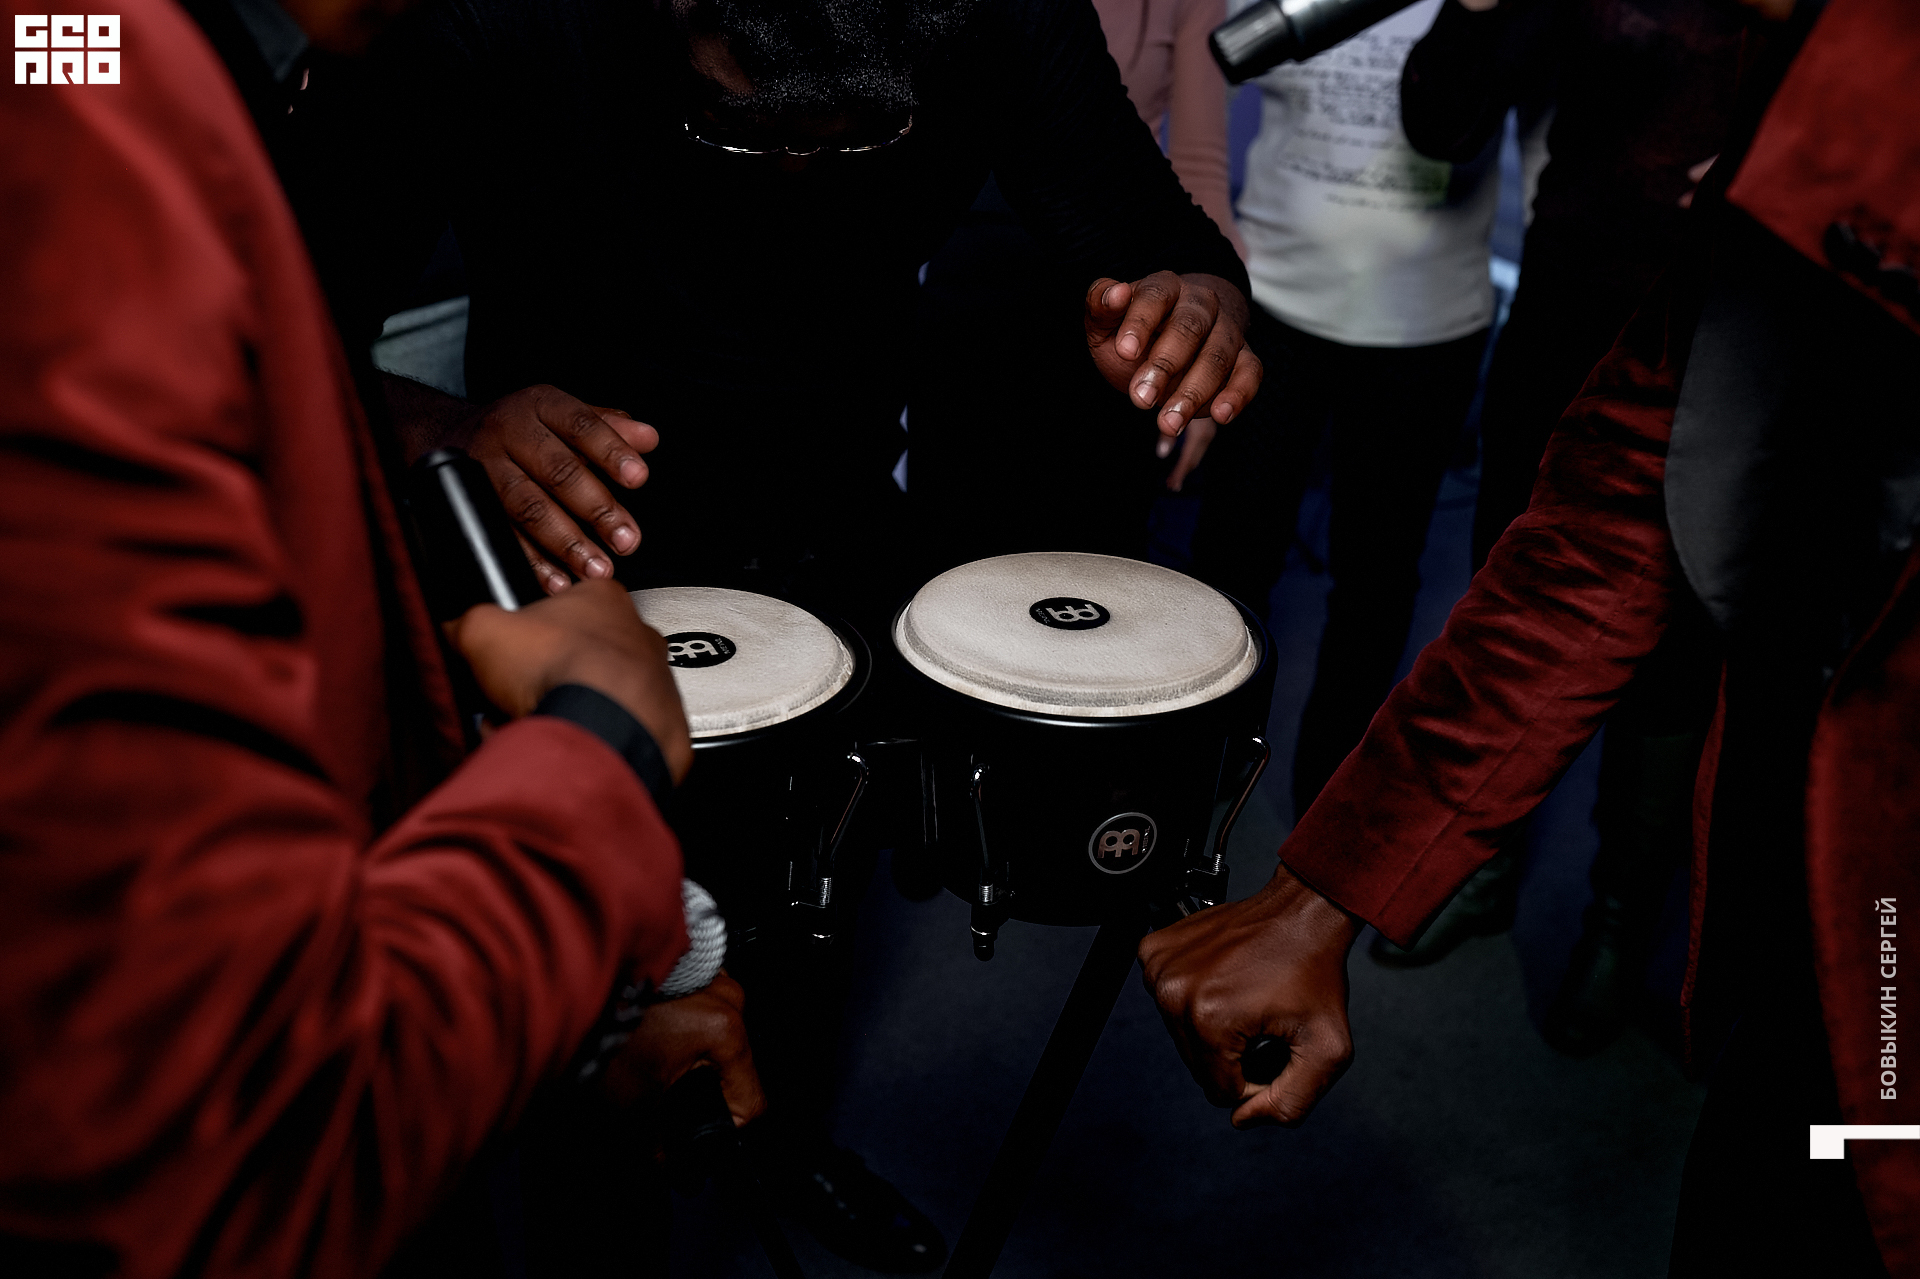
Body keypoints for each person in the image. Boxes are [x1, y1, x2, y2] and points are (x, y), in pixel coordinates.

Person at [287, 2, 1263, 1268]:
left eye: (860, 137)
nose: (804, 177)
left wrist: (1195, 304)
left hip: (831, 518)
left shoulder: (1001, 10)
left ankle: (785, 1144)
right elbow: (268, 340)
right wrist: (442, 435)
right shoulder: (489, 21)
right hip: (571, 545)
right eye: (751, 131)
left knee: (811, 892)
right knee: (593, 969)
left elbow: (1158, 238)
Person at [1140, 0, 1918, 1271]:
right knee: (1786, 1188)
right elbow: (1620, 511)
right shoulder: (1813, 100)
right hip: (1838, 915)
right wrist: (1327, 888)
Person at [0, 0, 765, 1273]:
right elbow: (248, 1134)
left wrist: (560, 988)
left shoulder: (103, 53)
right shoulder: (82, 124)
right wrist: (599, 755)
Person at [1386, 0, 1746, 1042]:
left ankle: (1618, 927)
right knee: (1510, 601)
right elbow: (1439, 125)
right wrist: (1472, 11)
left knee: (1680, 652)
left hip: (1725, 339)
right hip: (1569, 314)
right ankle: (1480, 869)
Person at [1186, 0, 1501, 820]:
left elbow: (1552, 145)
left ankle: (1327, 810)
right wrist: (1206, 257)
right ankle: (1196, 776)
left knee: (1378, 580)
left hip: (1428, 327)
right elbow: (1201, 80)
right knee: (1231, 556)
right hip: (1275, 306)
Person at [908, 0, 1246, 574]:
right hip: (969, 291)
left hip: (1113, 294)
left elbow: (1198, 171)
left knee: (1093, 563)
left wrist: (1206, 327)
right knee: (946, 554)